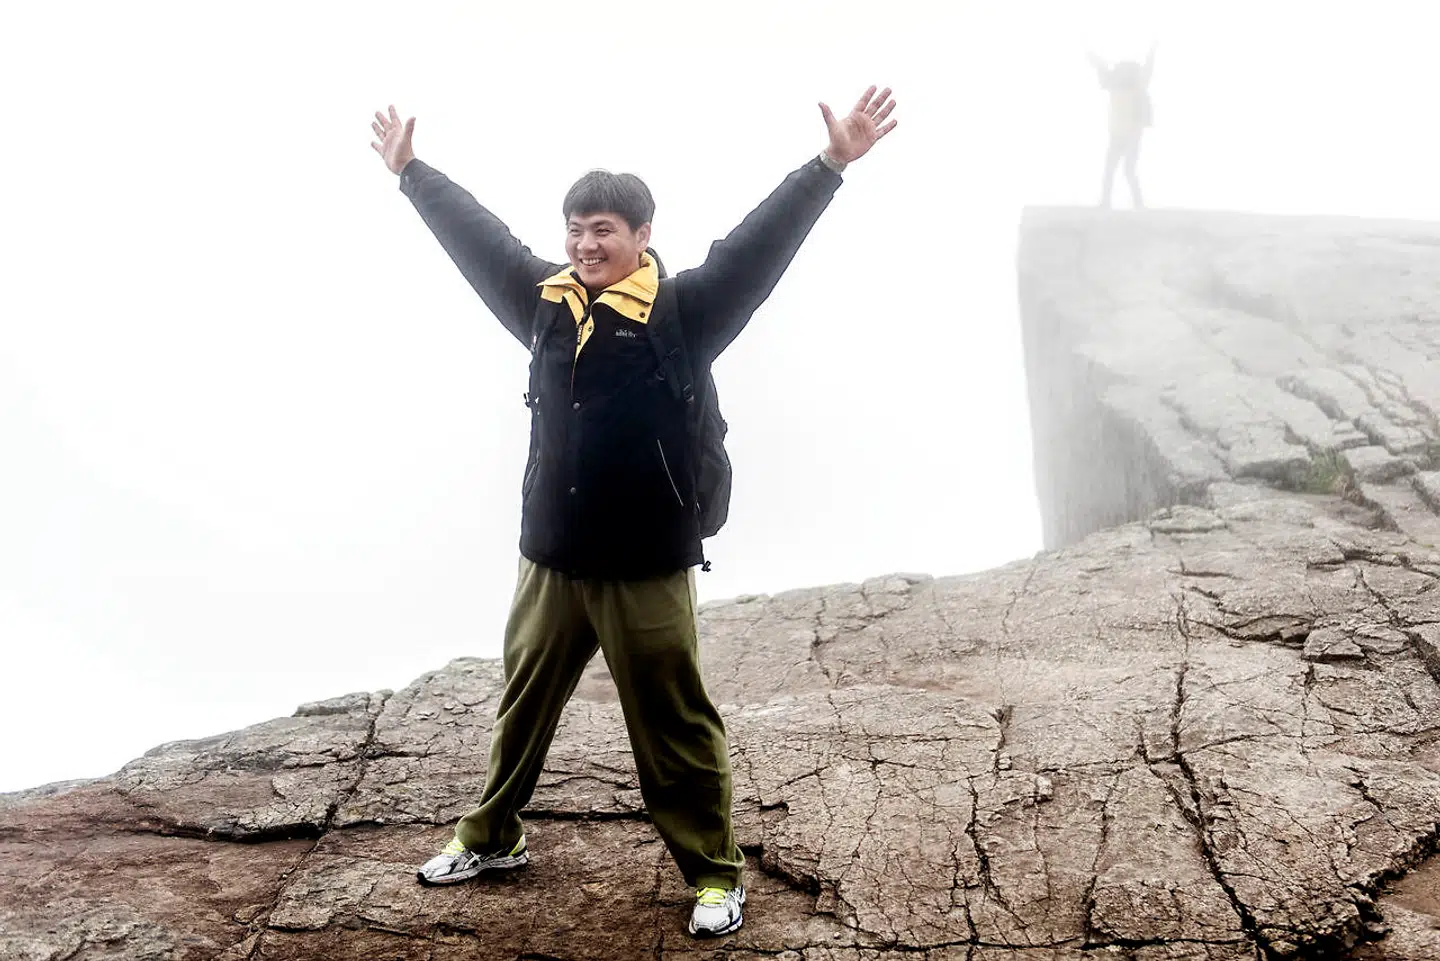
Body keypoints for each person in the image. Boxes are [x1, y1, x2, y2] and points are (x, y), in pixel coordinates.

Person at [368, 85, 898, 938]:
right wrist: (411, 173)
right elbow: (479, 239)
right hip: (550, 555)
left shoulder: (682, 312)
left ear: (642, 235)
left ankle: (715, 873)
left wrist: (830, 164)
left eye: (604, 229)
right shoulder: (546, 301)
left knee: (672, 721)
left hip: (646, 559)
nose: (586, 243)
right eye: (576, 229)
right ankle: (492, 835)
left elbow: (757, 249)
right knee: (521, 707)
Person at [1090, 44, 1155, 208]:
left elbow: (1101, 67)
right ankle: (1117, 202)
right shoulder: (1123, 85)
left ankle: (1131, 203)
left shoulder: (1131, 86)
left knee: (1123, 170)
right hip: (1123, 134)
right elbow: (1101, 67)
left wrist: (1152, 51)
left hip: (1129, 134)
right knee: (1120, 169)